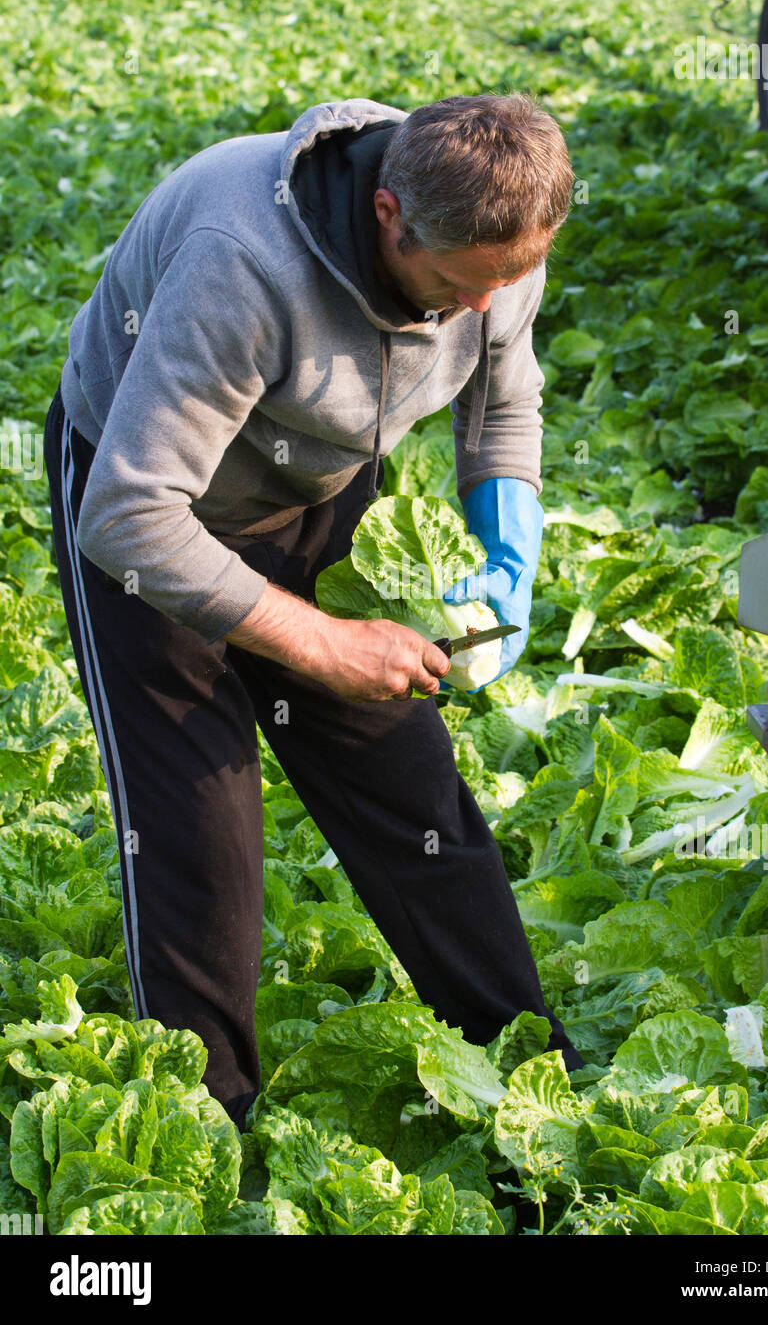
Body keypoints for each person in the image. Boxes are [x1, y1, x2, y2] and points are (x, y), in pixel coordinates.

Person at [43, 92, 584, 1133]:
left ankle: (528, 1079)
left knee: (414, 793)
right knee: (201, 841)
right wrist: (319, 640)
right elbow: (127, 515)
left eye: (511, 277)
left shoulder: (495, 240)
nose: (487, 305)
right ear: (389, 212)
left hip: (312, 487)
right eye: (460, 285)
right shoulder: (239, 259)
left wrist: (508, 545)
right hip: (150, 505)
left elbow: (501, 397)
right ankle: (210, 1127)